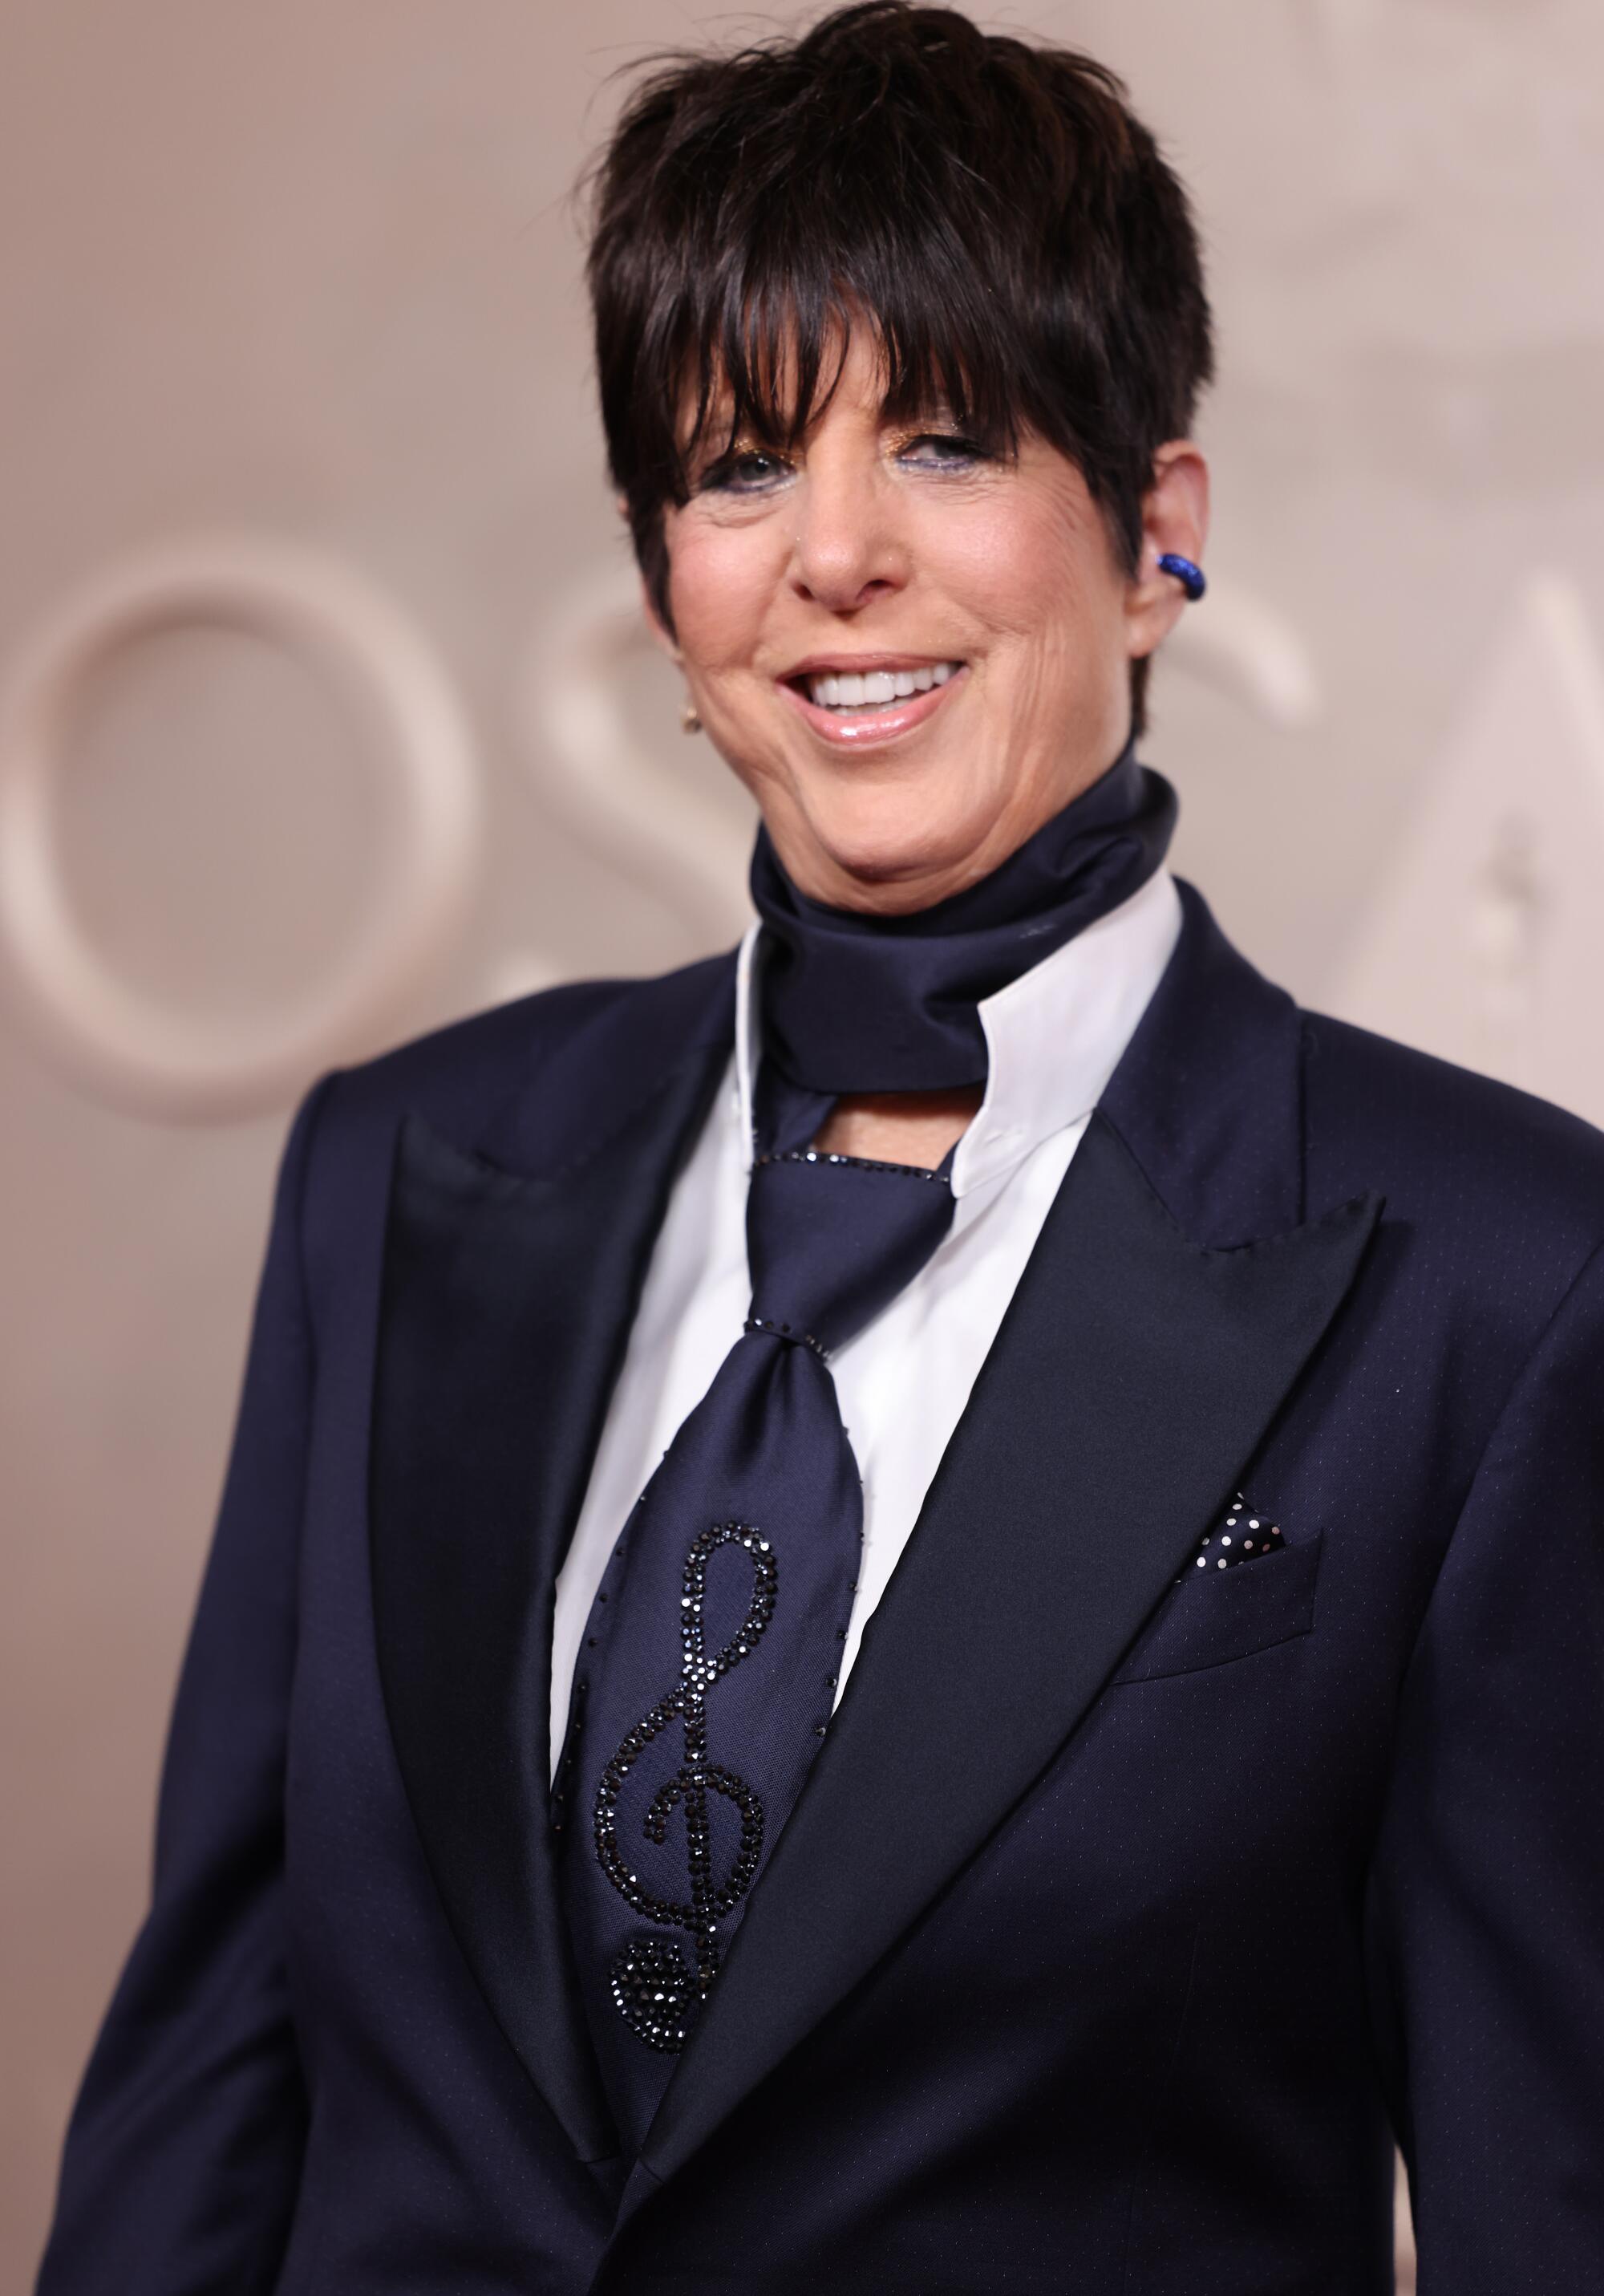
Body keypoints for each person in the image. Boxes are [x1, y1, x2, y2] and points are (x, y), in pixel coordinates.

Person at [37, 6, 1604, 2292]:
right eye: (738, 467)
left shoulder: (1502, 1278)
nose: (833, 558)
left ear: (1156, 525)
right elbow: (206, 2087)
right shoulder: (399, 1172)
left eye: (948, 441)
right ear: (662, 577)